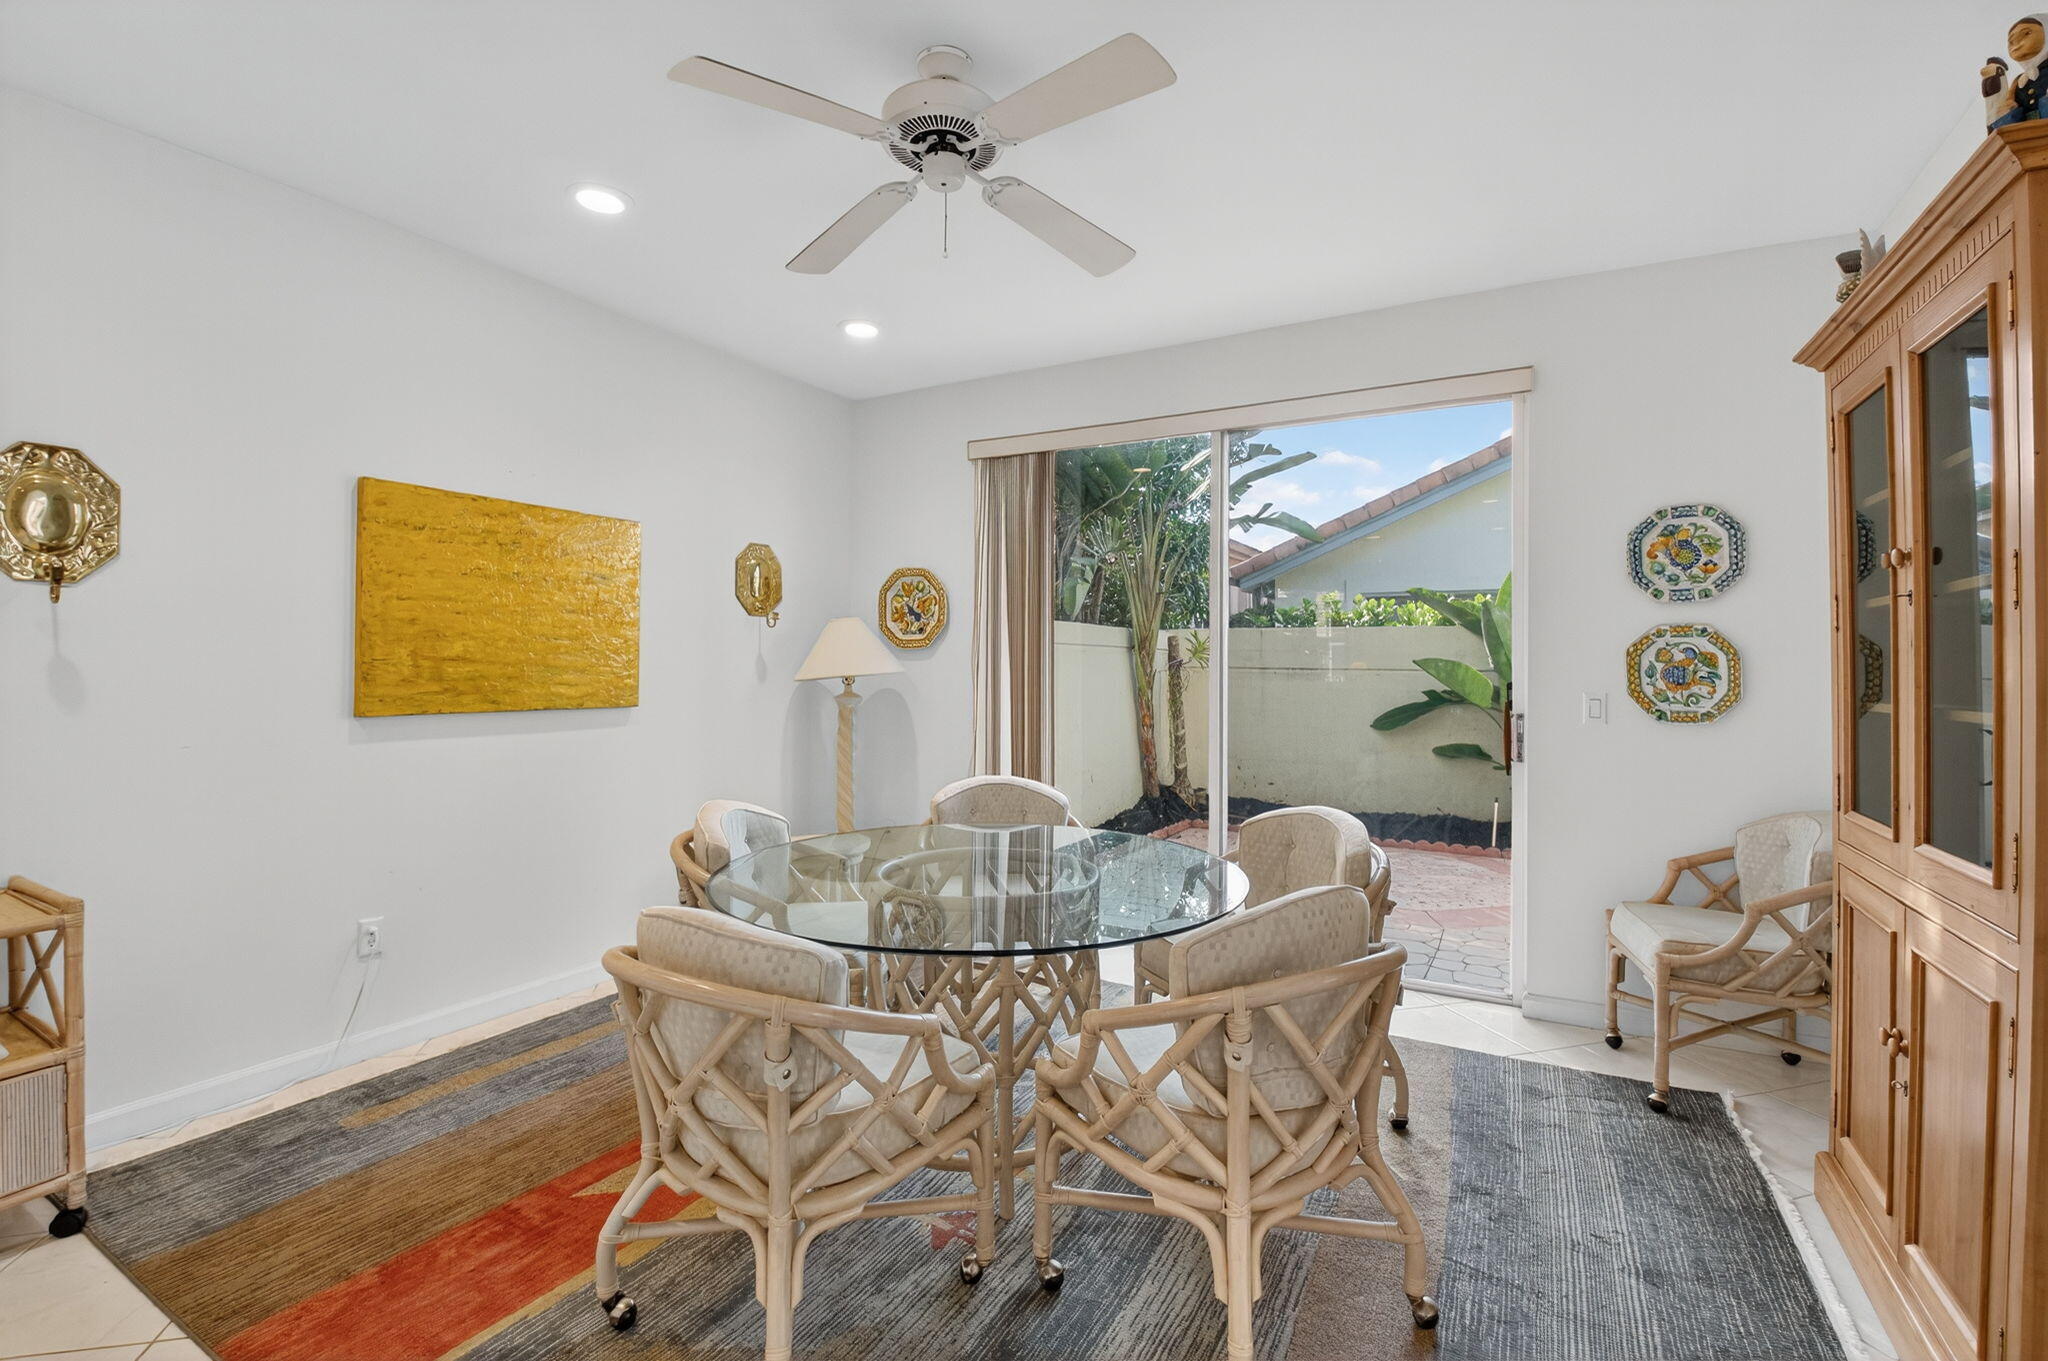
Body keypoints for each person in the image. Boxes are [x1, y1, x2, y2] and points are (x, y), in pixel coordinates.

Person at [1986, 15, 2048, 129]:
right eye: (2011, 41)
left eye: (2026, 33)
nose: (2017, 44)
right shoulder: (2018, 81)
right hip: (2028, 136)